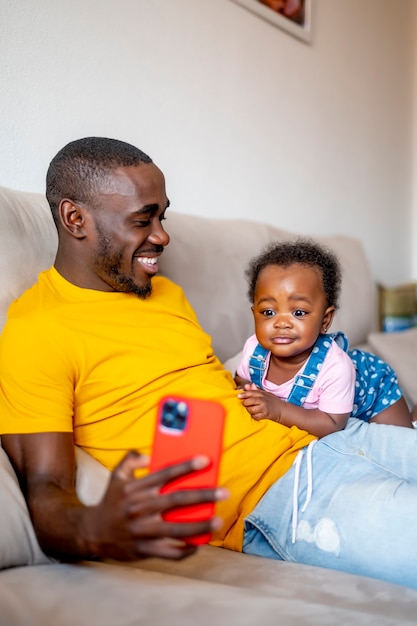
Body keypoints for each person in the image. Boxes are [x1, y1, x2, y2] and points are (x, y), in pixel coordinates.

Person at [1, 137, 417, 589]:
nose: (162, 236)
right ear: (74, 218)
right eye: (144, 220)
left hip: (335, 435)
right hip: (278, 496)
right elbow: (45, 490)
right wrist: (94, 527)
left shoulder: (164, 293)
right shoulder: (36, 332)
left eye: (162, 216)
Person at [235, 239, 413, 437]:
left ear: (325, 320)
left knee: (404, 443)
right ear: (254, 314)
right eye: (268, 312)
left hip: (374, 392)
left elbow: (332, 424)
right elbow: (241, 379)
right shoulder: (253, 350)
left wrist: (278, 411)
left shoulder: (336, 367)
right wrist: (251, 394)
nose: (281, 323)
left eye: (299, 313)